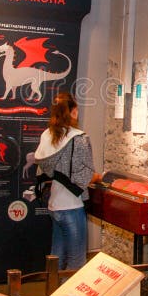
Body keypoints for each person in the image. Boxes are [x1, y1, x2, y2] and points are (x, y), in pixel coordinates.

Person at [33, 92, 96, 270]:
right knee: (77, 263)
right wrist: (98, 176)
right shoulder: (79, 138)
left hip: (54, 206)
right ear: (74, 112)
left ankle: (53, 295)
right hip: (72, 206)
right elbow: (84, 176)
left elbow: (48, 169)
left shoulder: (47, 135)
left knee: (56, 259)